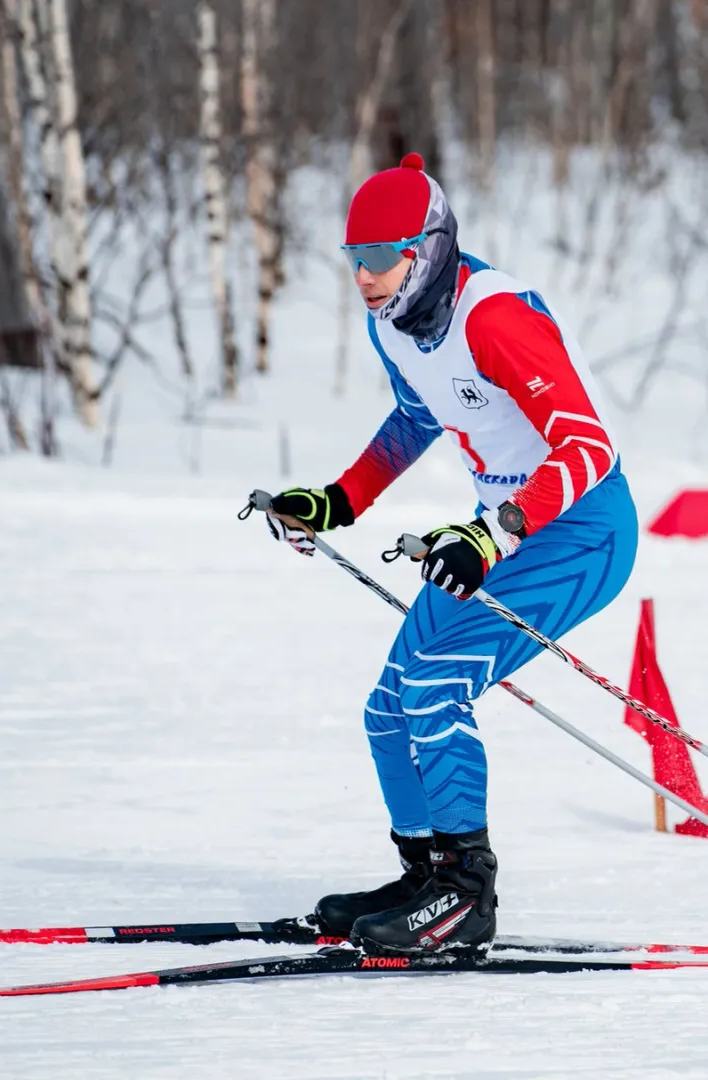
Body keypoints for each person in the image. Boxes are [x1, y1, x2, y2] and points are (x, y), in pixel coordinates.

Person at [264, 153, 637, 956]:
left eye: (380, 258)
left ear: (426, 249)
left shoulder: (495, 320)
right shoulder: (392, 321)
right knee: (390, 705)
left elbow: (588, 448)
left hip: (583, 530)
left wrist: (494, 533)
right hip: (496, 527)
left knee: (438, 685)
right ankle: (426, 874)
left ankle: (467, 897)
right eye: (353, 260)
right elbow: (414, 419)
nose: (363, 278)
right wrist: (339, 500)